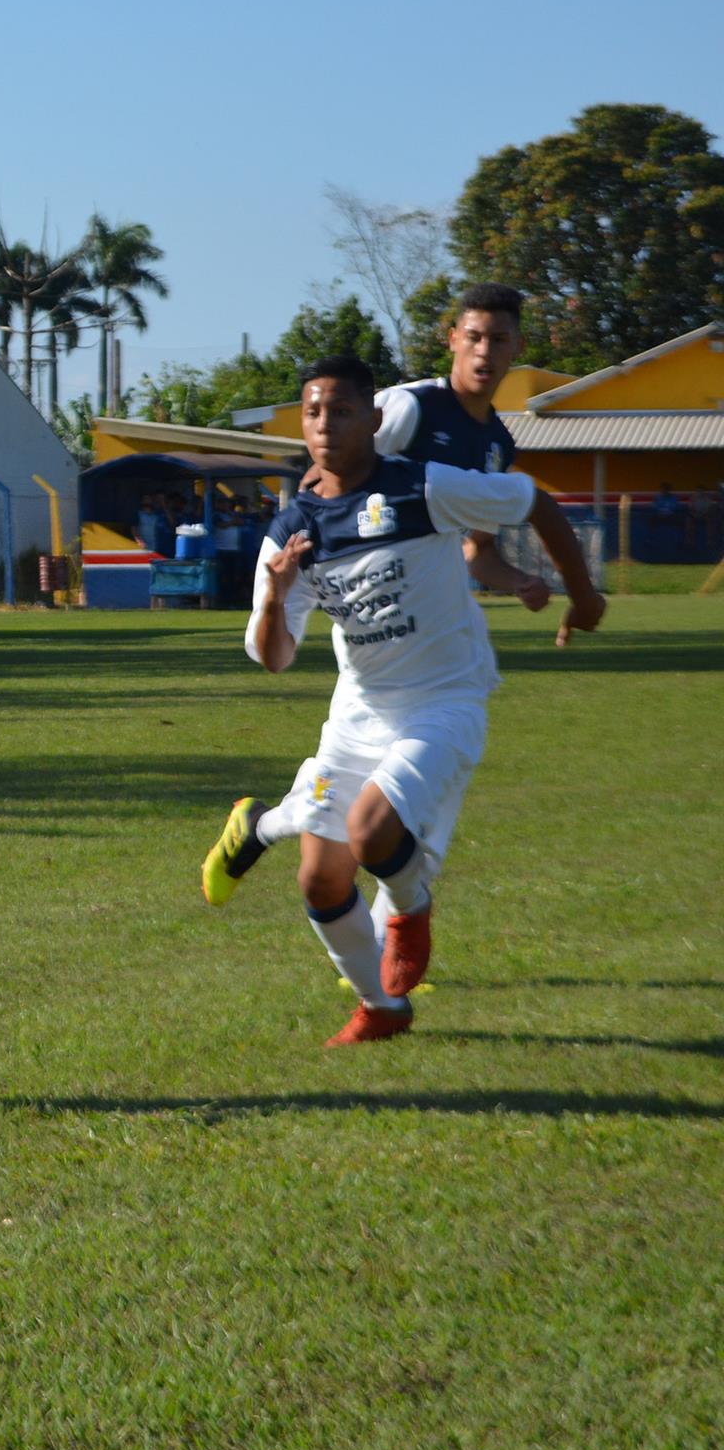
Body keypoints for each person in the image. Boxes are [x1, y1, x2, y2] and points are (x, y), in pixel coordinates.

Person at [215, 356, 603, 1044]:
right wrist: (275, 594)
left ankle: (409, 909)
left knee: (369, 835)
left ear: (373, 418)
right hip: (359, 715)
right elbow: (273, 658)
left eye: (340, 411)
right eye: (312, 412)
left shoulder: (425, 488)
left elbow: (532, 501)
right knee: (320, 881)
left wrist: (585, 593)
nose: (325, 425)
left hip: (445, 701)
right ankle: (382, 1008)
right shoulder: (291, 532)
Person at [203, 283, 569, 914]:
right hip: (364, 623)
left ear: (517, 349)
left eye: (499, 340)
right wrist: (307, 552)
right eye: (474, 337)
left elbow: (474, 550)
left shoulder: (496, 444)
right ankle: (383, 951)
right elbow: (326, 476)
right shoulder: (408, 409)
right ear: (452, 339)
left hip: (435, 639)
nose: (485, 352)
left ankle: (380, 957)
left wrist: (522, 583)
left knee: (392, 818)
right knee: (356, 815)